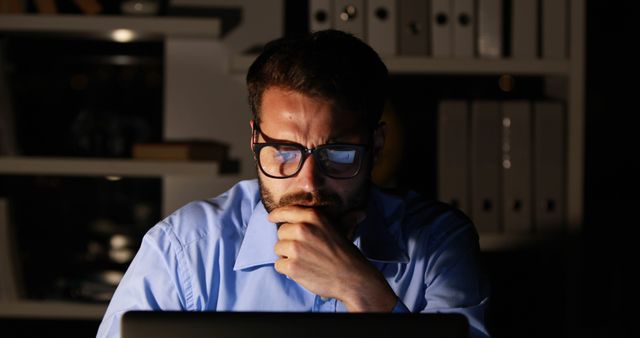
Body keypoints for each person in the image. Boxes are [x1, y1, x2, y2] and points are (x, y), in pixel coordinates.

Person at [97, 29, 490, 338]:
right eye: (283, 150)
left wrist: (360, 290)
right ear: (255, 142)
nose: (308, 182)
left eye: (336, 154)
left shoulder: (439, 241)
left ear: (376, 145)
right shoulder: (184, 248)